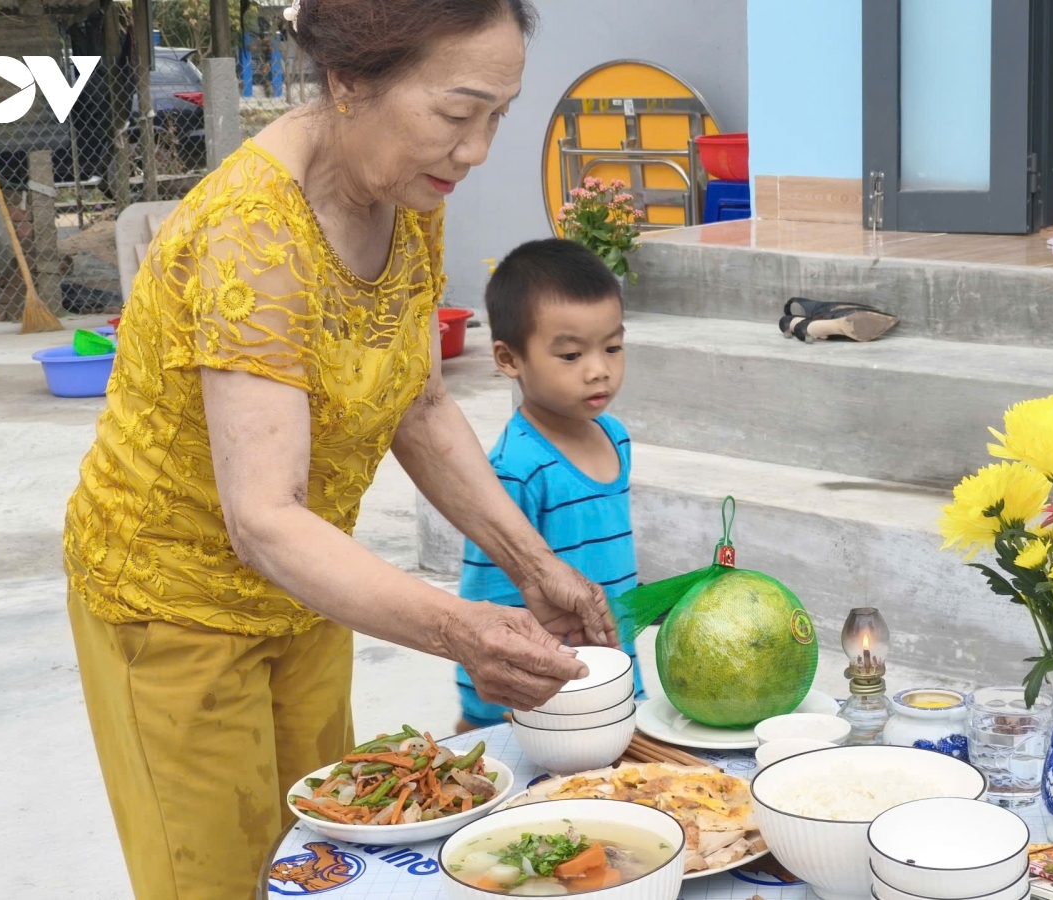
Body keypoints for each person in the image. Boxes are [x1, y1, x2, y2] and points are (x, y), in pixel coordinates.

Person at [60, 3, 617, 899]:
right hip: (173, 609)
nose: (474, 151)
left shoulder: (405, 190)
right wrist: (460, 628)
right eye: (455, 112)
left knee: (331, 866)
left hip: (311, 587)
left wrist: (531, 562)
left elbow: (420, 402)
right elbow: (262, 516)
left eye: (497, 117)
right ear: (352, 80)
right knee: (220, 881)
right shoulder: (252, 233)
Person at [456, 239, 640, 731]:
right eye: (572, 354)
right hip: (542, 705)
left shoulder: (614, 437)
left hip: (616, 685)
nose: (598, 368)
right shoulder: (515, 469)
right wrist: (484, 720)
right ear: (509, 358)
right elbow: (487, 602)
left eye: (613, 347)